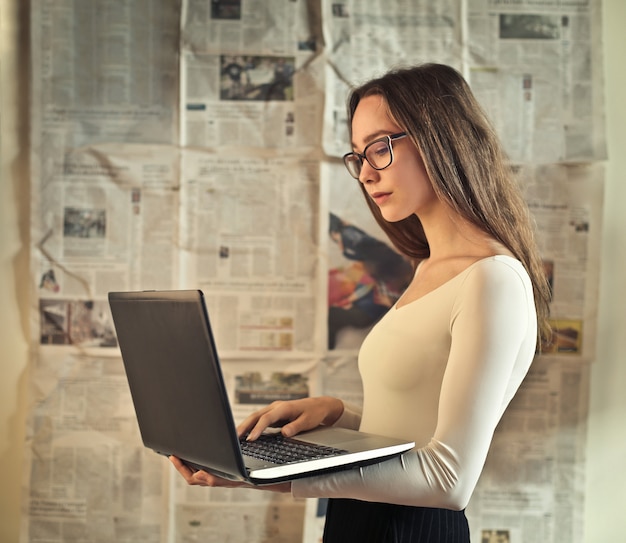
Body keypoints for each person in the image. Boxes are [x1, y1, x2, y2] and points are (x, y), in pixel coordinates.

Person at [170, 63, 552, 542]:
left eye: (380, 147)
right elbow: (415, 424)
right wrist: (338, 414)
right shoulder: (429, 268)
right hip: (362, 520)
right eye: (358, 156)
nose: (367, 173)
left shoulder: (493, 279)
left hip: (413, 530)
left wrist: (270, 475)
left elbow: (448, 479)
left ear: (441, 138)